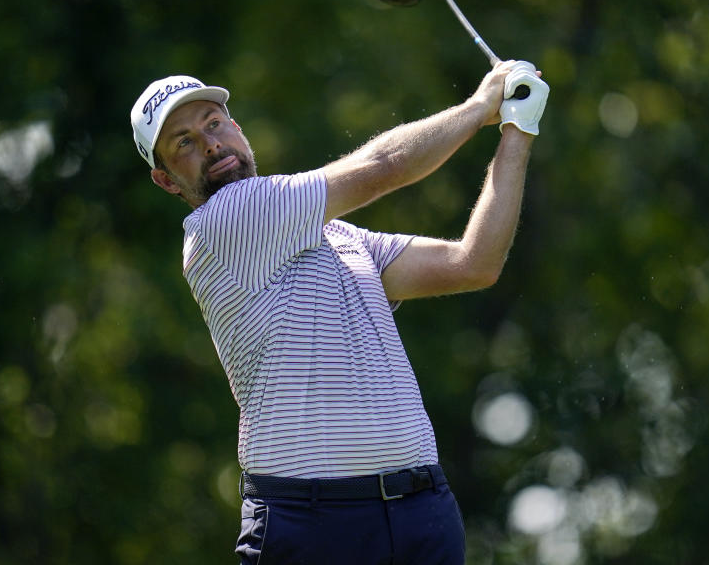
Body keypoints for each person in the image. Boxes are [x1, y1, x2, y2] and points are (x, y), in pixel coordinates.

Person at [129, 59, 549, 565]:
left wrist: (517, 131)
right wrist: (481, 106)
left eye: (213, 124)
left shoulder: (341, 238)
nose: (210, 145)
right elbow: (381, 168)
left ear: (235, 128)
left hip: (421, 512)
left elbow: (473, 263)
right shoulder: (223, 223)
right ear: (167, 180)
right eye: (184, 143)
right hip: (313, 525)